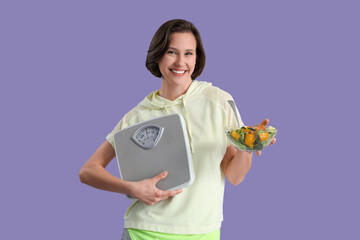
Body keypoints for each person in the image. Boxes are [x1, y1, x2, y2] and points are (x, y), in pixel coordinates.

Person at [79, 19, 276, 240]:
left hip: (205, 232)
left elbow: (235, 176)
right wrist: (133, 188)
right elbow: (88, 171)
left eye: (189, 53)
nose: (181, 62)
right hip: (144, 231)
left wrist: (248, 145)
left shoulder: (219, 101)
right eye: (172, 52)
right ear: (158, 55)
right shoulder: (138, 115)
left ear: (197, 58)